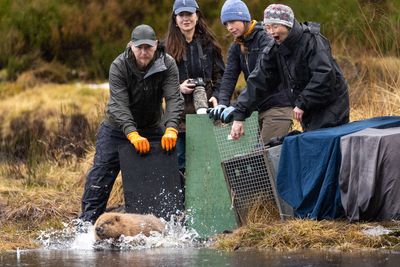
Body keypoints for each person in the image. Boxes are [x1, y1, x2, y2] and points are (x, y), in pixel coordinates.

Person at [79, 24, 184, 224]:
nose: (143, 52)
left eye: (148, 47)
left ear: (156, 45)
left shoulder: (168, 64)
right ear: (131, 46)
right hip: (117, 128)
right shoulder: (119, 66)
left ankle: (169, 225)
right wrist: (132, 134)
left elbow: (173, 98)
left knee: (166, 173)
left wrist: (171, 128)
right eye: (139, 48)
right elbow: (119, 105)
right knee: (100, 176)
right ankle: (86, 226)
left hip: (153, 126)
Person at [220, 3, 350, 141]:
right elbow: (259, 80)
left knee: (327, 145)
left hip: (331, 104)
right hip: (305, 108)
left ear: (287, 25)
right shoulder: (274, 49)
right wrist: (240, 113)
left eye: (275, 26)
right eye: (268, 27)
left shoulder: (311, 40)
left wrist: (302, 103)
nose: (271, 32)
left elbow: (324, 75)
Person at [208, 0, 293, 144]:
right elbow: (229, 76)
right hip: (256, 109)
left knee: (268, 156)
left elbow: (261, 76)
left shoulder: (265, 38)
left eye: (232, 21)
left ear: (244, 18)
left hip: (277, 107)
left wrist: (237, 106)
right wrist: (223, 102)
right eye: (226, 24)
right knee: (260, 159)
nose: (229, 27)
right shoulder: (237, 46)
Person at [164, 0, 225, 173]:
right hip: (178, 116)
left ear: (197, 16)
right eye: (181, 15)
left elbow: (221, 76)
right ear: (175, 19)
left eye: (189, 14)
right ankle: (182, 200)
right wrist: (178, 87)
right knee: (180, 163)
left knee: (207, 160)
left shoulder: (209, 45)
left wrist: (217, 96)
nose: (185, 19)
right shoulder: (164, 48)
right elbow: (157, 83)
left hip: (205, 113)